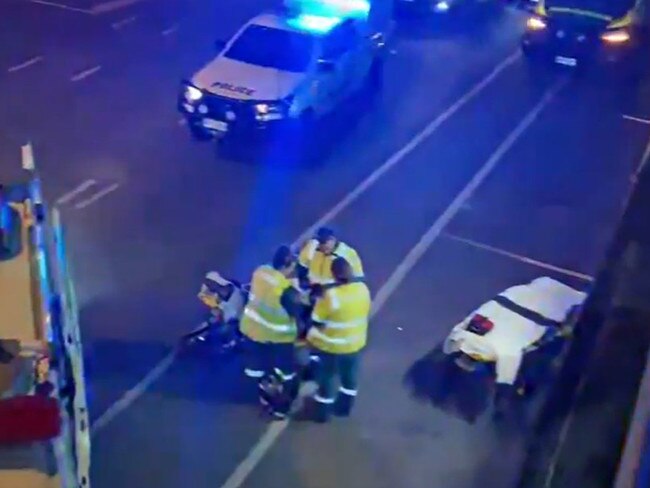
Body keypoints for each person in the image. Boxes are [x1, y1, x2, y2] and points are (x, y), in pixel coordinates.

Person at [239, 245, 307, 419]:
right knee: (288, 375)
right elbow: (297, 311)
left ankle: (263, 397)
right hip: (278, 338)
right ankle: (281, 409)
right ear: (287, 266)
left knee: (257, 370)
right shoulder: (286, 290)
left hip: (252, 330)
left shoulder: (260, 272)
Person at [305, 257, 371, 423]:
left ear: (334, 275)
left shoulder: (330, 297)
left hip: (332, 347)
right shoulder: (363, 289)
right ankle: (344, 408)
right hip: (355, 344)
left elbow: (317, 321)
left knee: (326, 380)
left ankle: (322, 414)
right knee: (349, 378)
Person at [189, 271, 246, 348]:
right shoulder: (217, 299)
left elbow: (233, 313)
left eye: (210, 283)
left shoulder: (233, 291)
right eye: (208, 284)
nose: (209, 286)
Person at [297, 227, 364, 288]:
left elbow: (358, 279)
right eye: (319, 242)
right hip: (314, 292)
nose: (321, 246)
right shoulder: (313, 249)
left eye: (323, 242)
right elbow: (301, 265)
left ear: (333, 239)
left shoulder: (347, 254)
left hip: (335, 294)